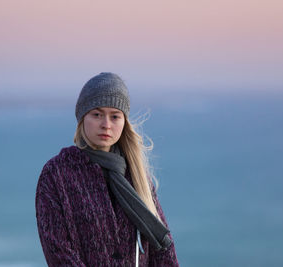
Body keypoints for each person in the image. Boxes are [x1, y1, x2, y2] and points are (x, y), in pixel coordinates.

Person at [35, 72, 179, 266]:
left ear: (124, 122)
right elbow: (57, 251)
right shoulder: (56, 174)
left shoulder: (136, 175)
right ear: (82, 118)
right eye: (97, 114)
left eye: (115, 116)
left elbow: (163, 251)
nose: (106, 125)